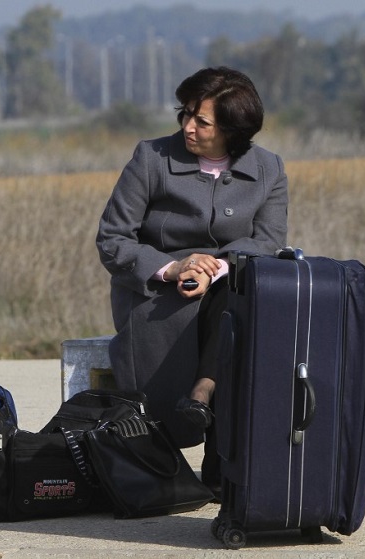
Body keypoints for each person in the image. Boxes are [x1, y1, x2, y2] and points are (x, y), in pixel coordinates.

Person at [95, 66, 288, 494]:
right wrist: (174, 268)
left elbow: (270, 242)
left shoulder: (269, 169)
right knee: (232, 321)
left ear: (233, 130)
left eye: (201, 121)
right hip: (157, 295)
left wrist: (215, 269)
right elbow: (112, 240)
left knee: (238, 307)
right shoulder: (151, 158)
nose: (187, 127)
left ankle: (213, 421)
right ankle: (206, 433)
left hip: (229, 291)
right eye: (185, 114)